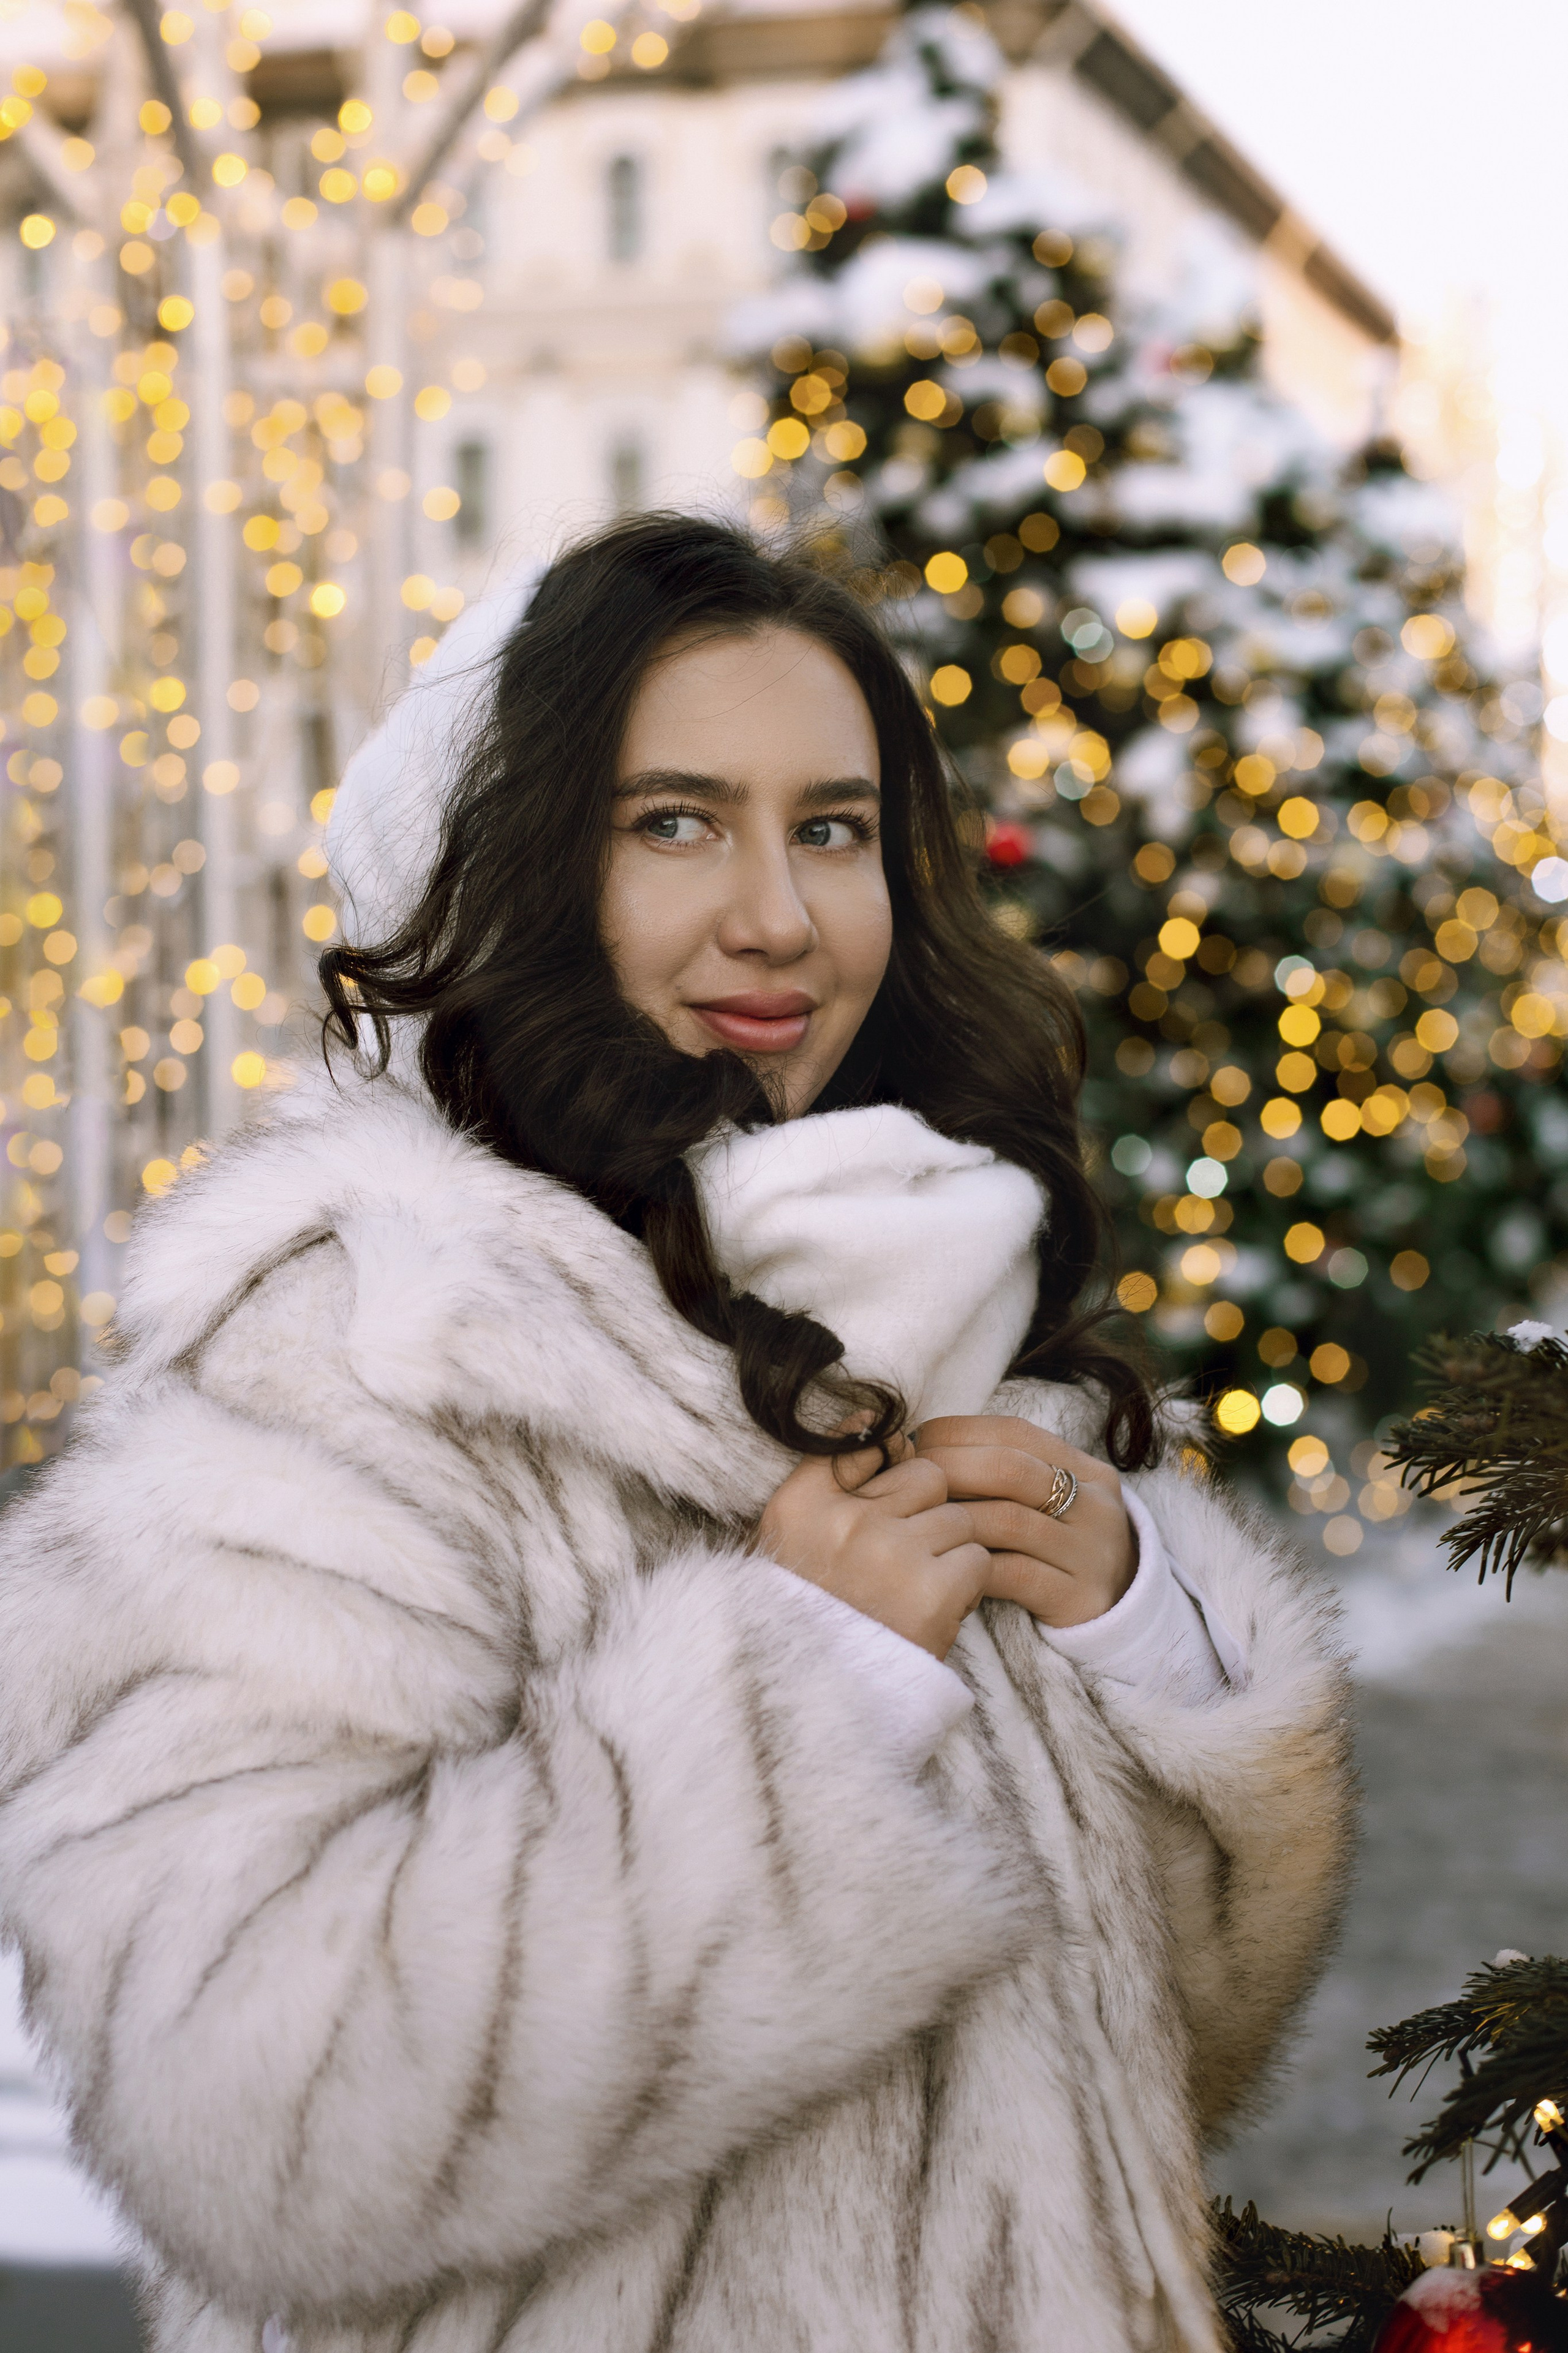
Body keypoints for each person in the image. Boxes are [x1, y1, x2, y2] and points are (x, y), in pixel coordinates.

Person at [0, 516, 1350, 2353]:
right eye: (674, 821)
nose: (779, 915)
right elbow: (255, 2122)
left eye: (833, 828)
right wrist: (804, 1696)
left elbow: (1137, 2080)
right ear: (509, 877)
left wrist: (1146, 1644)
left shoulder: (946, 1327)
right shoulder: (350, 1367)